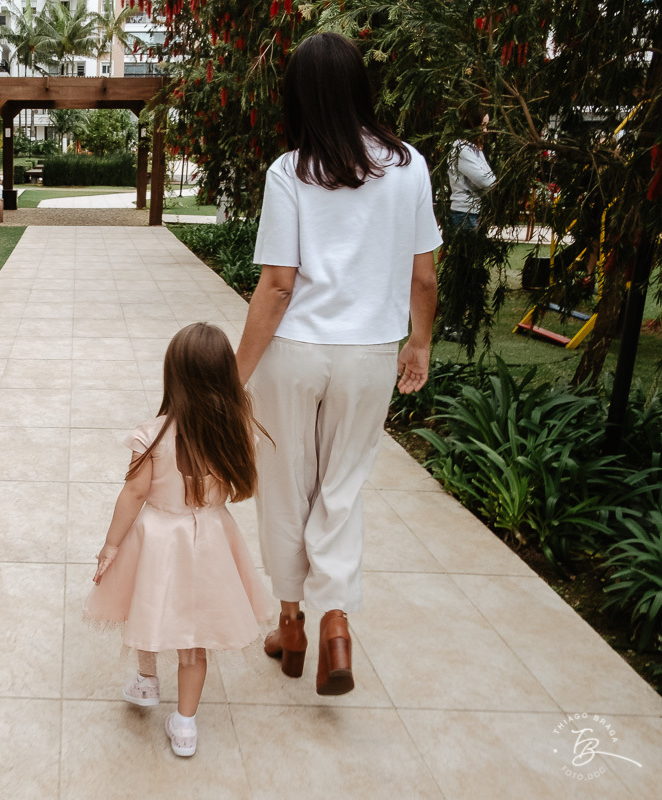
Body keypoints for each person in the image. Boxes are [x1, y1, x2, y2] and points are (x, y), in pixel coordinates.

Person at [234, 32, 441, 697]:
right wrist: (420, 343)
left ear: (299, 96)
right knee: (342, 486)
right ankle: (336, 628)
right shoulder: (411, 167)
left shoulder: (289, 171)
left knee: (286, 482)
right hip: (370, 354)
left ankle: (289, 624)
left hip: (294, 354)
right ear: (359, 88)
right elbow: (427, 276)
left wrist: (234, 372)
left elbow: (276, 286)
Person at [83, 322, 270, 758]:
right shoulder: (237, 432)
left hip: (157, 538)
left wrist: (112, 544)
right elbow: (240, 486)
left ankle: (147, 681)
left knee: (145, 605)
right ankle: (185, 725)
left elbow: (134, 493)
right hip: (211, 543)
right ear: (226, 375)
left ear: (174, 375)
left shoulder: (152, 436)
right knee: (193, 638)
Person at [448, 108, 496, 231]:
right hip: (464, 212)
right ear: (472, 125)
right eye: (483, 126)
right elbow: (486, 181)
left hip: (474, 210)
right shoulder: (462, 150)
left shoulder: (475, 149)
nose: (485, 131)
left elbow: (491, 179)